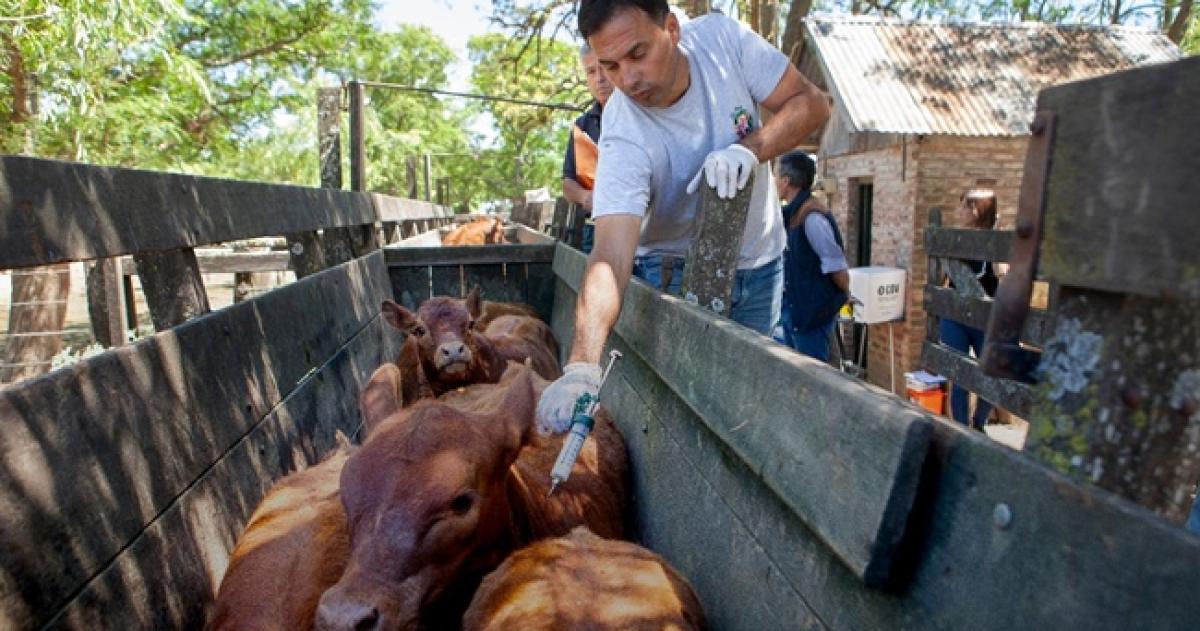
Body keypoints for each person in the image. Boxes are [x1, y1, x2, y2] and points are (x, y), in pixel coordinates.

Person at [536, 0, 831, 432]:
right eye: (610, 66)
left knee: (749, 413)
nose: (628, 79)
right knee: (684, 421)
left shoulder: (723, 42)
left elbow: (813, 102)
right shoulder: (623, 130)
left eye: (638, 54)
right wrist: (581, 365)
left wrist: (749, 151)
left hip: (761, 263)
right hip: (670, 273)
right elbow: (611, 255)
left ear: (671, 29)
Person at [774, 151, 850, 362]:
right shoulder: (792, 212)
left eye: (776, 176)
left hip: (812, 315)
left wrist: (843, 293)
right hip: (795, 313)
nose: (774, 181)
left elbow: (836, 266)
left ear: (786, 181)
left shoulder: (812, 216)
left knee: (813, 378)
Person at [940, 189, 1002, 430]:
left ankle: (979, 423)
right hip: (956, 314)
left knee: (992, 374)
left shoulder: (996, 242)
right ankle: (962, 429)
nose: (959, 211)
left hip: (984, 316)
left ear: (976, 211)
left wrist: (996, 241)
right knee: (959, 376)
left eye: (964, 207)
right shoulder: (956, 239)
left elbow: (1002, 272)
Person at [561, 43, 614, 254]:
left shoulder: (642, 114)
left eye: (605, 68)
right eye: (591, 71)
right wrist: (587, 198)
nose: (599, 78)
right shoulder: (582, 126)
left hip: (642, 232)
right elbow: (568, 182)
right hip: (594, 230)